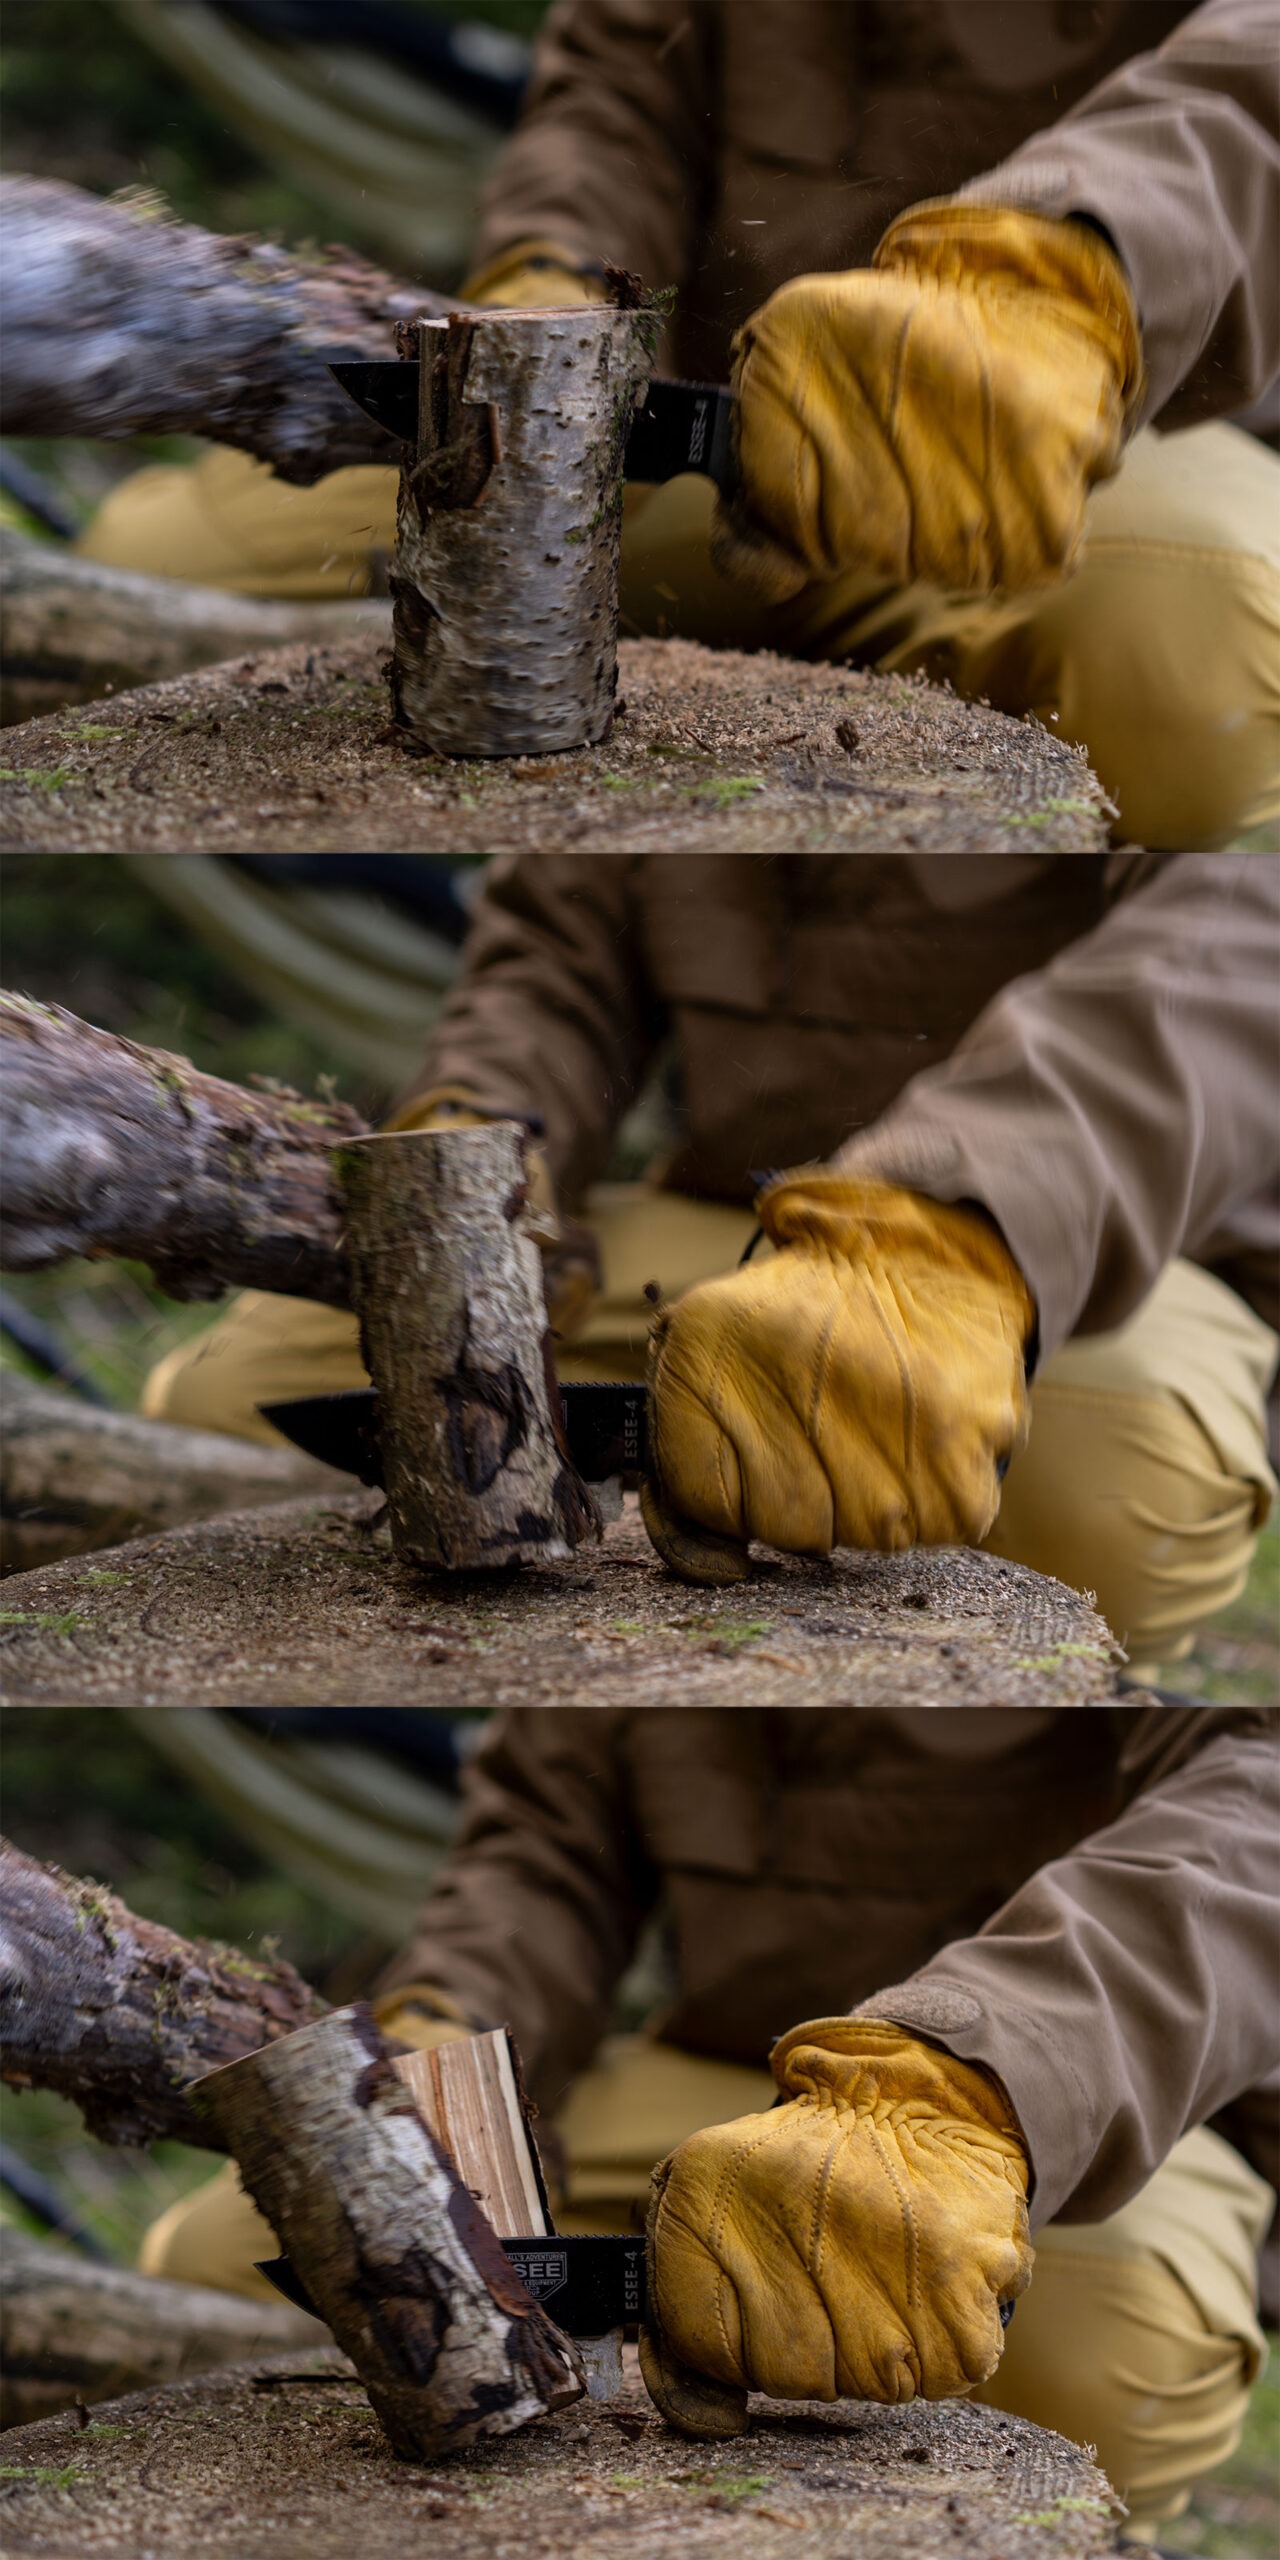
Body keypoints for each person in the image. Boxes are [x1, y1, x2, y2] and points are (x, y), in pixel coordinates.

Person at [80, 1, 1280, 848]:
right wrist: (548, 289)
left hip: (1086, 423)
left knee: (1199, 668)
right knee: (136, 590)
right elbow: (619, 87)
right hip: (670, 404)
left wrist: (1057, 282)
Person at [140, 1703, 1280, 2545]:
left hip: (1068, 2115)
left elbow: (1251, 1810)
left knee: (1112, 2347)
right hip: (723, 2072)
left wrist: (955, 2092)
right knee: (222, 2272)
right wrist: (442, 2032)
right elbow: (547, 1847)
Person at [144, 850, 1280, 1691]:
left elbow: (1235, 936)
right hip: (723, 1224)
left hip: (1088, 1258)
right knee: (218, 1403)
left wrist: (941, 1238)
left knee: (1131, 1480)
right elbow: (556, 959)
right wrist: (485, 1161)